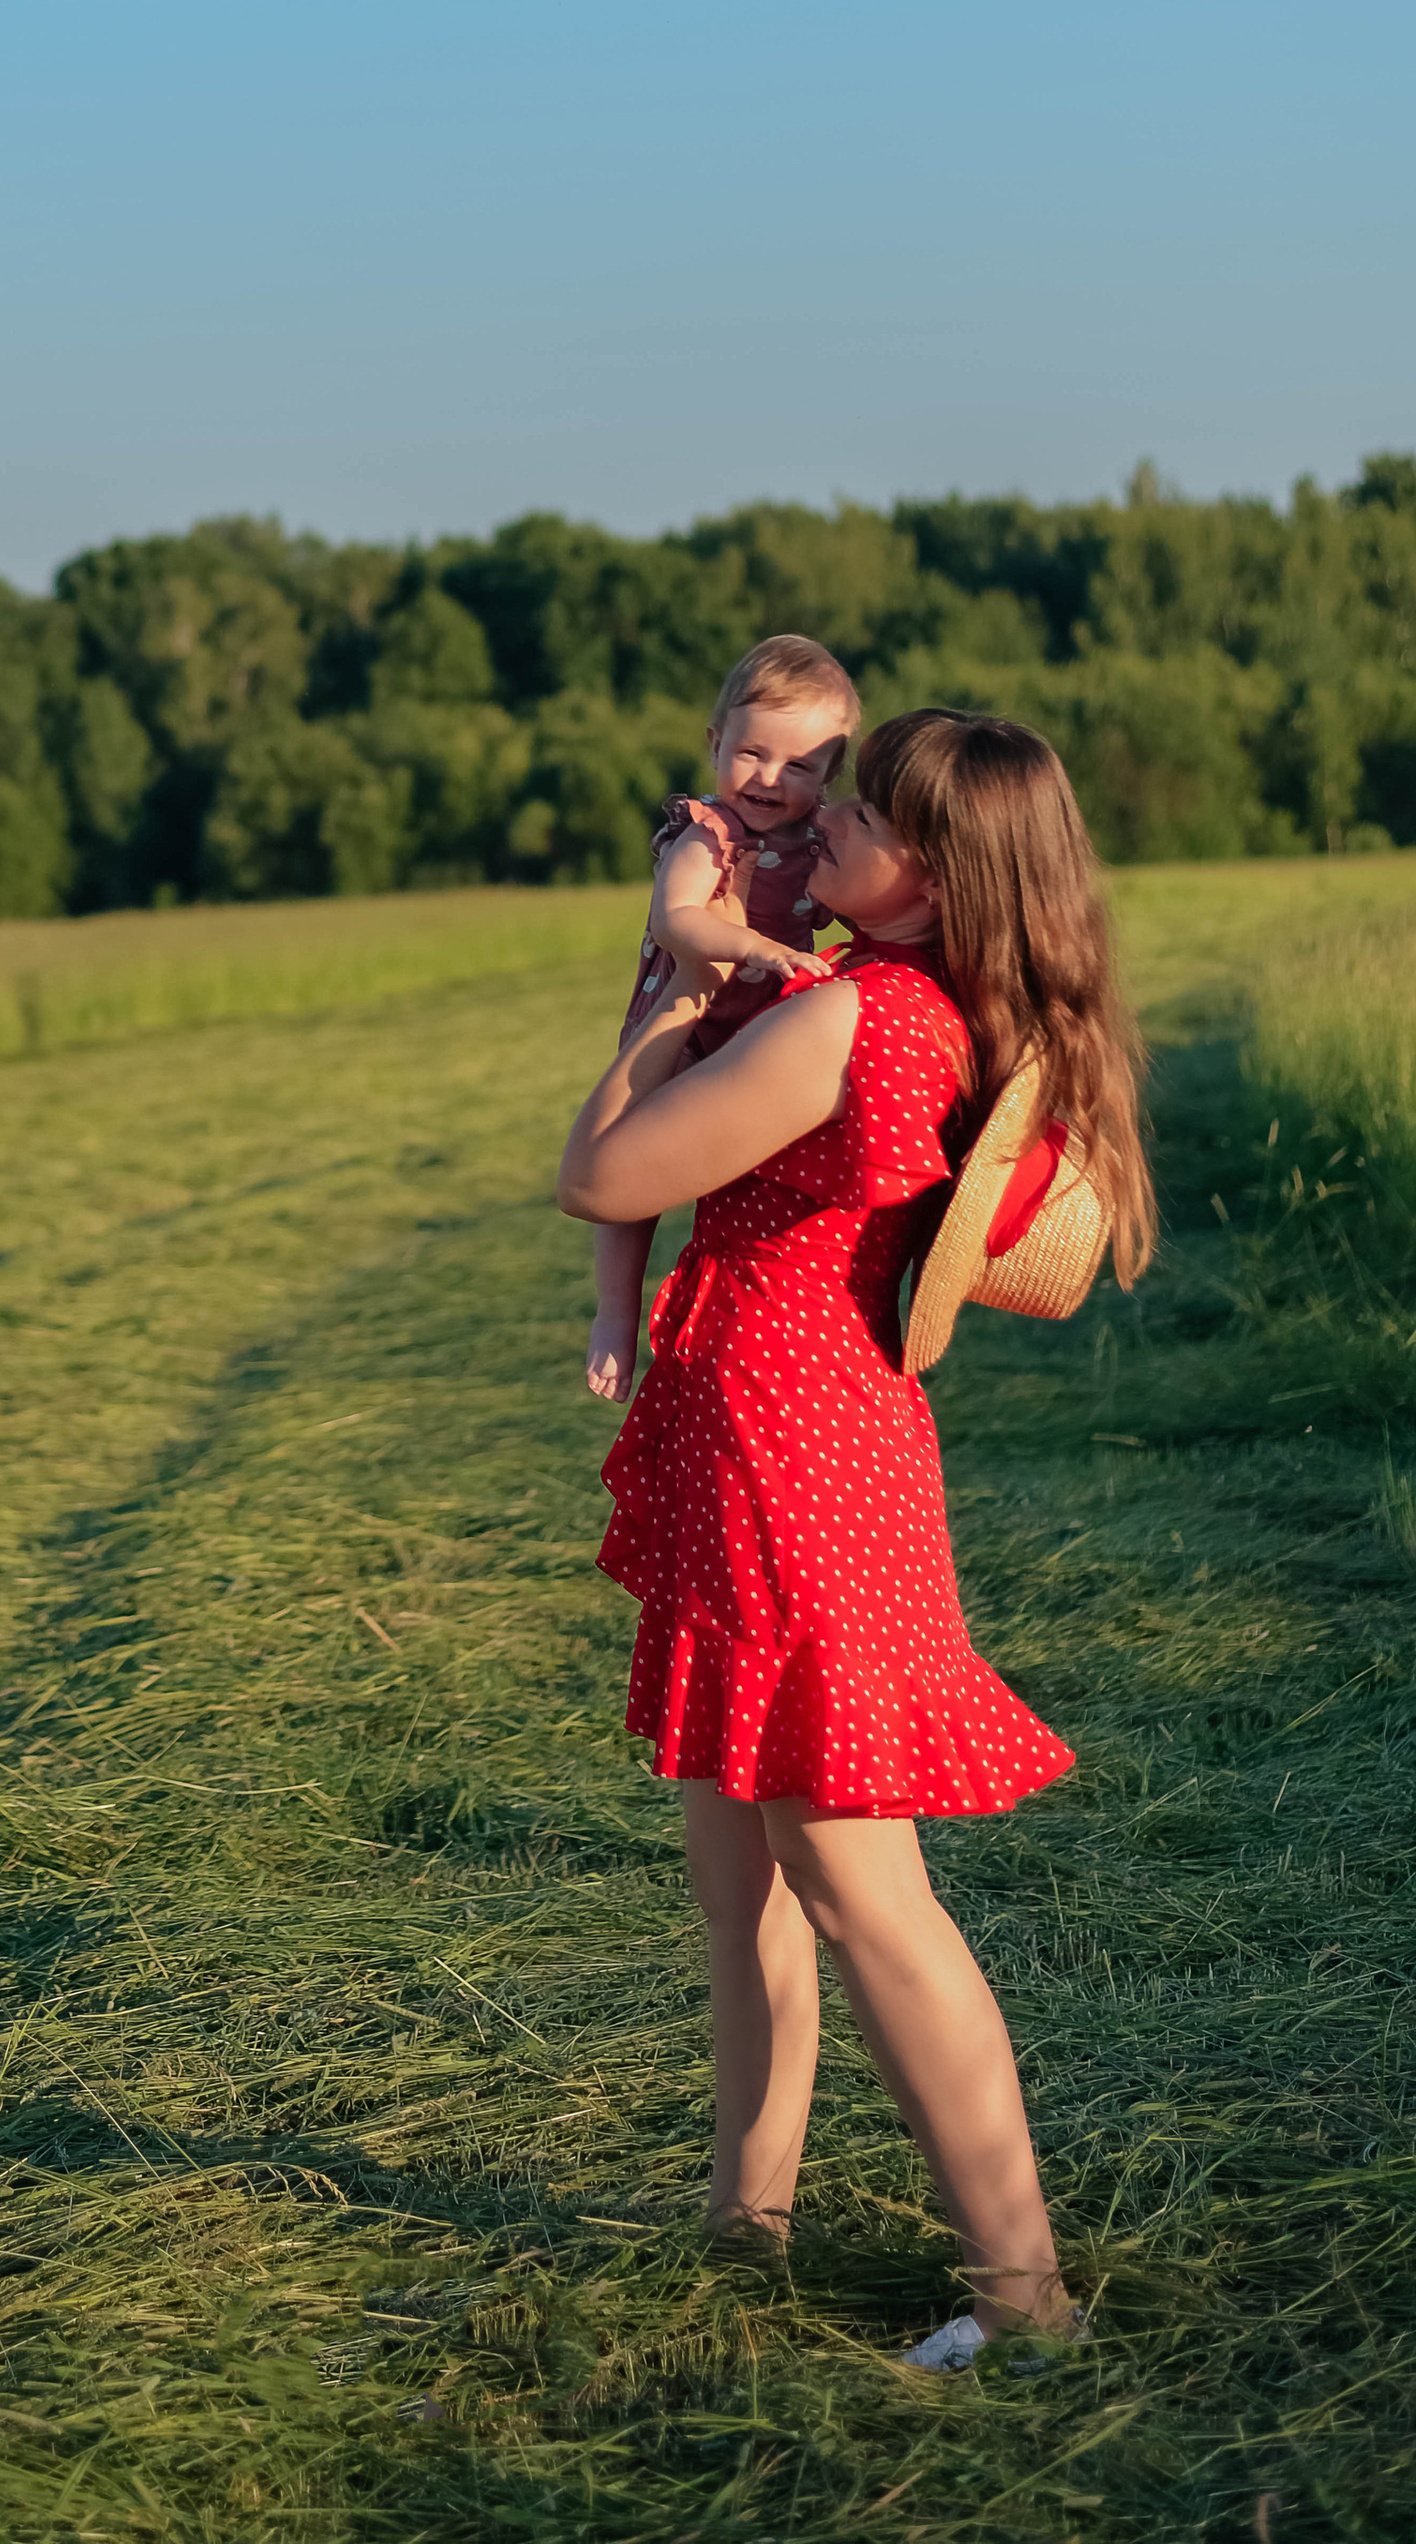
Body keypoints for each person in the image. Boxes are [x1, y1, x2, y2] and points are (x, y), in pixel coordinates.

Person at [556, 710, 1154, 2367]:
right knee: (741, 1872)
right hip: (790, 1436)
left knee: (858, 1886)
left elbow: (601, 1171)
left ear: (936, 872)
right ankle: (745, 2224)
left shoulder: (861, 1022)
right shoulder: (906, 1002)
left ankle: (1025, 2306)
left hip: (788, 1456)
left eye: (866, 814)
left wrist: (659, 1009)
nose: (827, 823)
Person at [586, 636, 860, 1403]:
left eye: (800, 767)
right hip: (678, 1018)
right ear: (716, 744)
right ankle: (615, 1310)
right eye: (752, 754)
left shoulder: (820, 840)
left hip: (759, 1028)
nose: (769, 780)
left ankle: (757, 1297)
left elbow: (851, 904)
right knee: (627, 1165)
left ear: (830, 776)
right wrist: (755, 946)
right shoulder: (709, 832)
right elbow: (676, 920)